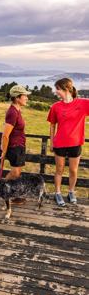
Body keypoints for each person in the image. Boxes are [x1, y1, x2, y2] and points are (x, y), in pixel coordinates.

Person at [47, 78, 89, 206]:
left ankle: (71, 191)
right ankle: (58, 193)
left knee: (73, 170)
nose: (56, 92)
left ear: (66, 89)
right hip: (59, 143)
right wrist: (51, 142)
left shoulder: (83, 104)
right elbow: (52, 125)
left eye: (58, 89)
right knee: (59, 170)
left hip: (76, 143)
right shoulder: (55, 107)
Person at [0, 85, 31, 203]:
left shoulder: (17, 110)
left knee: (18, 173)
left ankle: (12, 193)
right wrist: (4, 151)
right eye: (25, 96)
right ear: (17, 98)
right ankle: (3, 189)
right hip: (14, 147)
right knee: (15, 173)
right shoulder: (12, 112)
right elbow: (5, 135)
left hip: (19, 145)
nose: (27, 98)